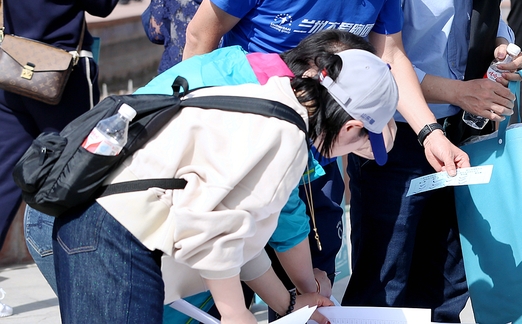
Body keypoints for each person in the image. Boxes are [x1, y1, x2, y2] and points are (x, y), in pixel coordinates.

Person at [183, 0, 470, 298]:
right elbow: (201, 36)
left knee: (314, 279)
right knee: (239, 275)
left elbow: (391, 54)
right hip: (249, 146)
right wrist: (197, 136)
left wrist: (430, 133)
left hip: (322, 148)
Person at [53, 36, 400, 324]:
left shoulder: (272, 97)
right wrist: (234, 312)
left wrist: (289, 303)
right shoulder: (288, 137)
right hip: (114, 233)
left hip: (95, 221)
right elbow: (212, 228)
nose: (351, 152)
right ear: (351, 127)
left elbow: (239, 234)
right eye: (360, 144)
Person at [344, 0, 522, 322]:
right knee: (385, 271)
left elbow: (487, 18)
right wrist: (461, 92)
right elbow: (382, 60)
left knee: (448, 271)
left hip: (461, 135)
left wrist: (503, 45)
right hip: (396, 135)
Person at [0, 0, 129, 318]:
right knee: (77, 181)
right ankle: (85, 282)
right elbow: (101, 0)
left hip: (10, 74)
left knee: (2, 184)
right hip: (59, 80)